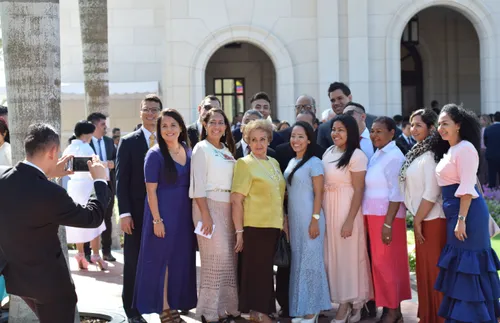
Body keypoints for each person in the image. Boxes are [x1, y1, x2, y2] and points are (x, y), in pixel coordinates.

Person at [0, 123, 109, 323]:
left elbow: (28, 193)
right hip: (51, 287)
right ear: (52, 151)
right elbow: (92, 218)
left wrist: (47, 175)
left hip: (18, 280)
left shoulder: (3, 177)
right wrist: (100, 181)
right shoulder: (51, 193)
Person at [434, 104, 500, 323]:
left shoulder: (465, 149)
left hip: (467, 214)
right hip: (458, 214)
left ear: (458, 125)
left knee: (470, 268)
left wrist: (461, 220)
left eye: (445, 123)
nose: (440, 128)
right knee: (461, 268)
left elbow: (467, 188)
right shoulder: (452, 149)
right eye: (439, 123)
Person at [134, 109, 197, 322]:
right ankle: (164, 308)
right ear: (159, 130)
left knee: (180, 261)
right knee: (163, 262)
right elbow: (150, 191)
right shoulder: (154, 154)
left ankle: (174, 305)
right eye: (164, 126)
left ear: (181, 127)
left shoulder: (188, 151)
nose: (168, 129)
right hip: (162, 215)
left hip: (184, 216)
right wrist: (157, 220)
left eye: (173, 125)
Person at [231, 119, 286, 323]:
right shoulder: (244, 163)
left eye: (263, 139)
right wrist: (239, 232)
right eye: (254, 140)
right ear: (248, 142)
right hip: (255, 227)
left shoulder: (274, 163)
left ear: (269, 140)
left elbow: (280, 196)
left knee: (265, 273)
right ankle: (259, 313)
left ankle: (260, 312)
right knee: (258, 272)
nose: (259, 144)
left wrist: (284, 223)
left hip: (273, 226)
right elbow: (236, 200)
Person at [189, 108, 239, 323]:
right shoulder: (201, 148)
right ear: (205, 125)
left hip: (228, 208)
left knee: (229, 259)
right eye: (213, 122)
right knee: (214, 259)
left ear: (226, 126)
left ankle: (225, 307)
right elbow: (198, 185)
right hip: (207, 206)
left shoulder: (227, 149)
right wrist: (206, 216)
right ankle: (207, 312)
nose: (217, 126)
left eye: (221, 122)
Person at [399, 109, 448, 323]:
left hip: (432, 220)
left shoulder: (430, 156)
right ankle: (428, 315)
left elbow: (432, 192)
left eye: (419, 125)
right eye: (411, 124)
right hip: (423, 219)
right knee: (424, 271)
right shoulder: (418, 151)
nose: (413, 129)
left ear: (430, 127)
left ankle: (438, 317)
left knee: (434, 272)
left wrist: (417, 220)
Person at [322, 115, 373, 323]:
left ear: (350, 132)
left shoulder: (357, 155)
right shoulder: (328, 151)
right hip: (328, 209)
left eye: (341, 129)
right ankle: (345, 301)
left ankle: (347, 303)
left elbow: (359, 188)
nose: (336, 133)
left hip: (346, 209)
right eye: (334, 129)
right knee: (332, 258)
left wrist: (350, 220)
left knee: (348, 258)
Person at [116, 94, 162, 323]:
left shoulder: (168, 140)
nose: (151, 114)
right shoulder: (129, 141)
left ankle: (163, 306)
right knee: (134, 262)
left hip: (163, 213)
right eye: (147, 110)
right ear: (140, 112)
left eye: (155, 110)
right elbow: (120, 181)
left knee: (163, 260)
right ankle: (132, 310)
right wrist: (124, 213)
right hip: (136, 213)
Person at [363, 117, 411, 323]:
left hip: (386, 217)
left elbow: (396, 193)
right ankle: (391, 308)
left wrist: (388, 223)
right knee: (381, 265)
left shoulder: (393, 156)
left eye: (379, 131)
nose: (374, 135)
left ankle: (393, 311)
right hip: (374, 216)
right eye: (372, 131)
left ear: (392, 133)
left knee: (388, 265)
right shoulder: (378, 154)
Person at [285, 121, 331, 322]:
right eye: (293, 136)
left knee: (312, 264)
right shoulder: (292, 161)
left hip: (311, 218)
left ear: (309, 139)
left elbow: (319, 193)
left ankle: (313, 311)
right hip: (295, 220)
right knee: (300, 263)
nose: (296, 140)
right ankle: (303, 308)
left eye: (300, 136)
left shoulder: (315, 162)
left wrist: (315, 219)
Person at [64, 121, 108, 270]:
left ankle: (81, 253)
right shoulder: (87, 148)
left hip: (73, 186)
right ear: (88, 133)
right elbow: (95, 168)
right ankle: (95, 254)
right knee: (95, 218)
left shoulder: (69, 147)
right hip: (87, 185)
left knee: (78, 220)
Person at [86, 112, 117, 262]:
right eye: (103, 125)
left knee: (107, 218)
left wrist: (113, 163)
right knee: (88, 218)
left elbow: (117, 159)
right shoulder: (85, 142)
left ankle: (107, 251)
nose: (106, 127)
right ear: (94, 126)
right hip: (90, 187)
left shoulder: (109, 141)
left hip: (108, 186)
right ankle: (86, 252)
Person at [317, 82, 376, 149]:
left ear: (350, 98)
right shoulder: (324, 129)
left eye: (340, 98)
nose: (336, 103)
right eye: (333, 100)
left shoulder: (373, 121)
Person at [484, 112, 500, 188]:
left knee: (491, 176)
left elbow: (485, 143)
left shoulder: (488, 129)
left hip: (491, 155)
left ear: (493, 119)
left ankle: (491, 195)